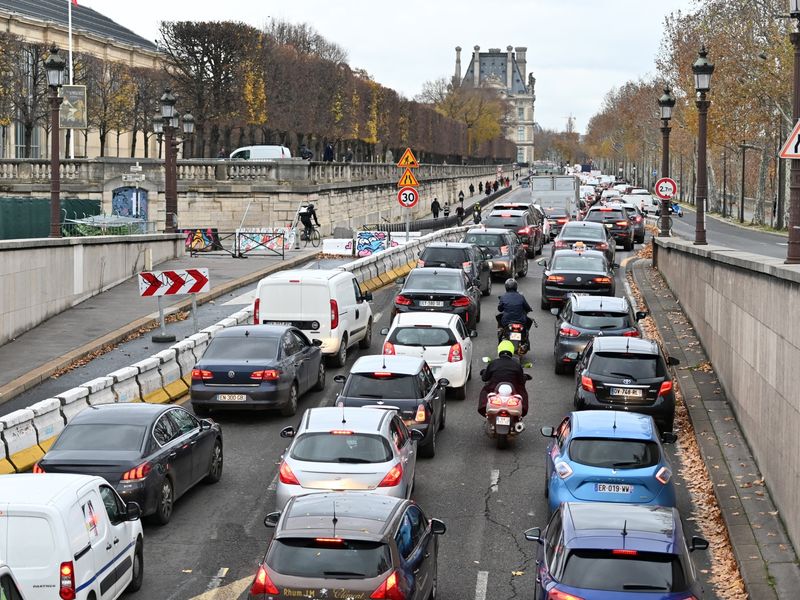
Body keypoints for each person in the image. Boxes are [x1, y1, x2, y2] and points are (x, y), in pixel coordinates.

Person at [478, 341, 529, 417]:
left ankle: (486, 414)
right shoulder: (516, 365)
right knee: (522, 391)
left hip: (494, 390)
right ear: (511, 351)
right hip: (513, 391)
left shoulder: (493, 363)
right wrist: (525, 377)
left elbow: (484, 378)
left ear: (499, 350)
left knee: (485, 391)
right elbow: (521, 381)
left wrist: (484, 372)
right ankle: (520, 416)